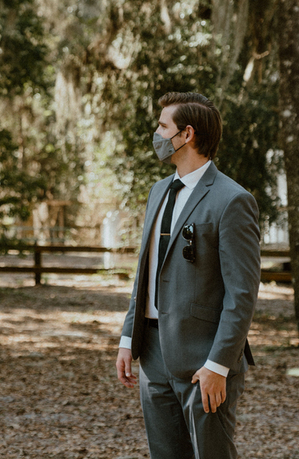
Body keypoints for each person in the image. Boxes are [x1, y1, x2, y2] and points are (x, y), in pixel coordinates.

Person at [115, 92, 261, 459]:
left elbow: (241, 295)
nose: (157, 134)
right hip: (152, 354)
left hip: (204, 360)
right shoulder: (158, 191)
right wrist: (127, 336)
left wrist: (218, 365)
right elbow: (145, 270)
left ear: (187, 134)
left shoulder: (232, 200)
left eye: (163, 126)